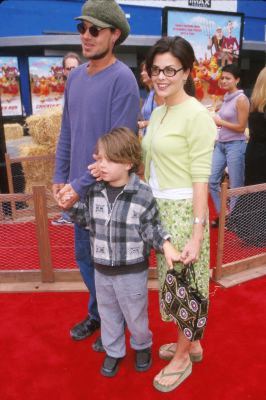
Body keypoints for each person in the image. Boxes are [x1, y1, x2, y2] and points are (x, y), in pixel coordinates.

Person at [53, 0, 140, 349]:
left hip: (108, 192)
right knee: (86, 259)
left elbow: (118, 151)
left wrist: (77, 184)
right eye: (81, 28)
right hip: (77, 190)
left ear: (115, 34)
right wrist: (61, 177)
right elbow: (67, 131)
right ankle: (101, 314)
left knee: (109, 267)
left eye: (94, 30)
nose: (85, 36)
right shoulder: (74, 77)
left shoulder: (124, 80)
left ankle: (112, 324)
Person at [67, 127, 181, 377]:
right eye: (99, 158)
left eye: (108, 159)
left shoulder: (142, 193)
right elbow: (86, 220)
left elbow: (152, 227)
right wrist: (70, 204)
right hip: (102, 269)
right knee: (108, 314)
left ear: (128, 162)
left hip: (132, 271)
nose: (101, 165)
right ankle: (114, 350)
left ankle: (142, 344)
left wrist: (166, 244)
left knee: (135, 313)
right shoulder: (94, 190)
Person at [142, 36, 216, 393]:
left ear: (186, 72)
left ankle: (183, 356)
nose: (161, 76)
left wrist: (197, 232)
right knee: (174, 284)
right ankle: (193, 343)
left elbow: (202, 177)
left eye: (170, 69)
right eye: (156, 69)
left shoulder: (197, 114)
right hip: (160, 209)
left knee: (187, 285)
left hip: (186, 211)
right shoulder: (158, 110)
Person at [225, 67, 266, 245]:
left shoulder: (255, 103)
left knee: (253, 193)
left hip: (254, 153)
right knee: (260, 195)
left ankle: (248, 230)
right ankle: (258, 234)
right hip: (262, 154)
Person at [209, 64, 250, 227]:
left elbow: (241, 127)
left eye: (228, 78)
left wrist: (220, 121)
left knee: (236, 184)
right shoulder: (225, 97)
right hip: (221, 143)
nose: (224, 80)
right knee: (211, 180)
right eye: (223, 77)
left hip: (236, 144)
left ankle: (234, 219)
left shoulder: (241, 99)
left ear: (237, 80)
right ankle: (225, 214)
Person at [52, 52, 82, 226]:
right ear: (64, 71)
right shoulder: (68, 90)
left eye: (74, 68)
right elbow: (66, 129)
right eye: (68, 68)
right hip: (71, 147)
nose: (71, 71)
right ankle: (70, 214)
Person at [138, 62, 164, 136]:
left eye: (145, 70)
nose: (142, 73)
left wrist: (143, 123)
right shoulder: (150, 93)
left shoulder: (158, 93)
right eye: (142, 70)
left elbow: (165, 120)